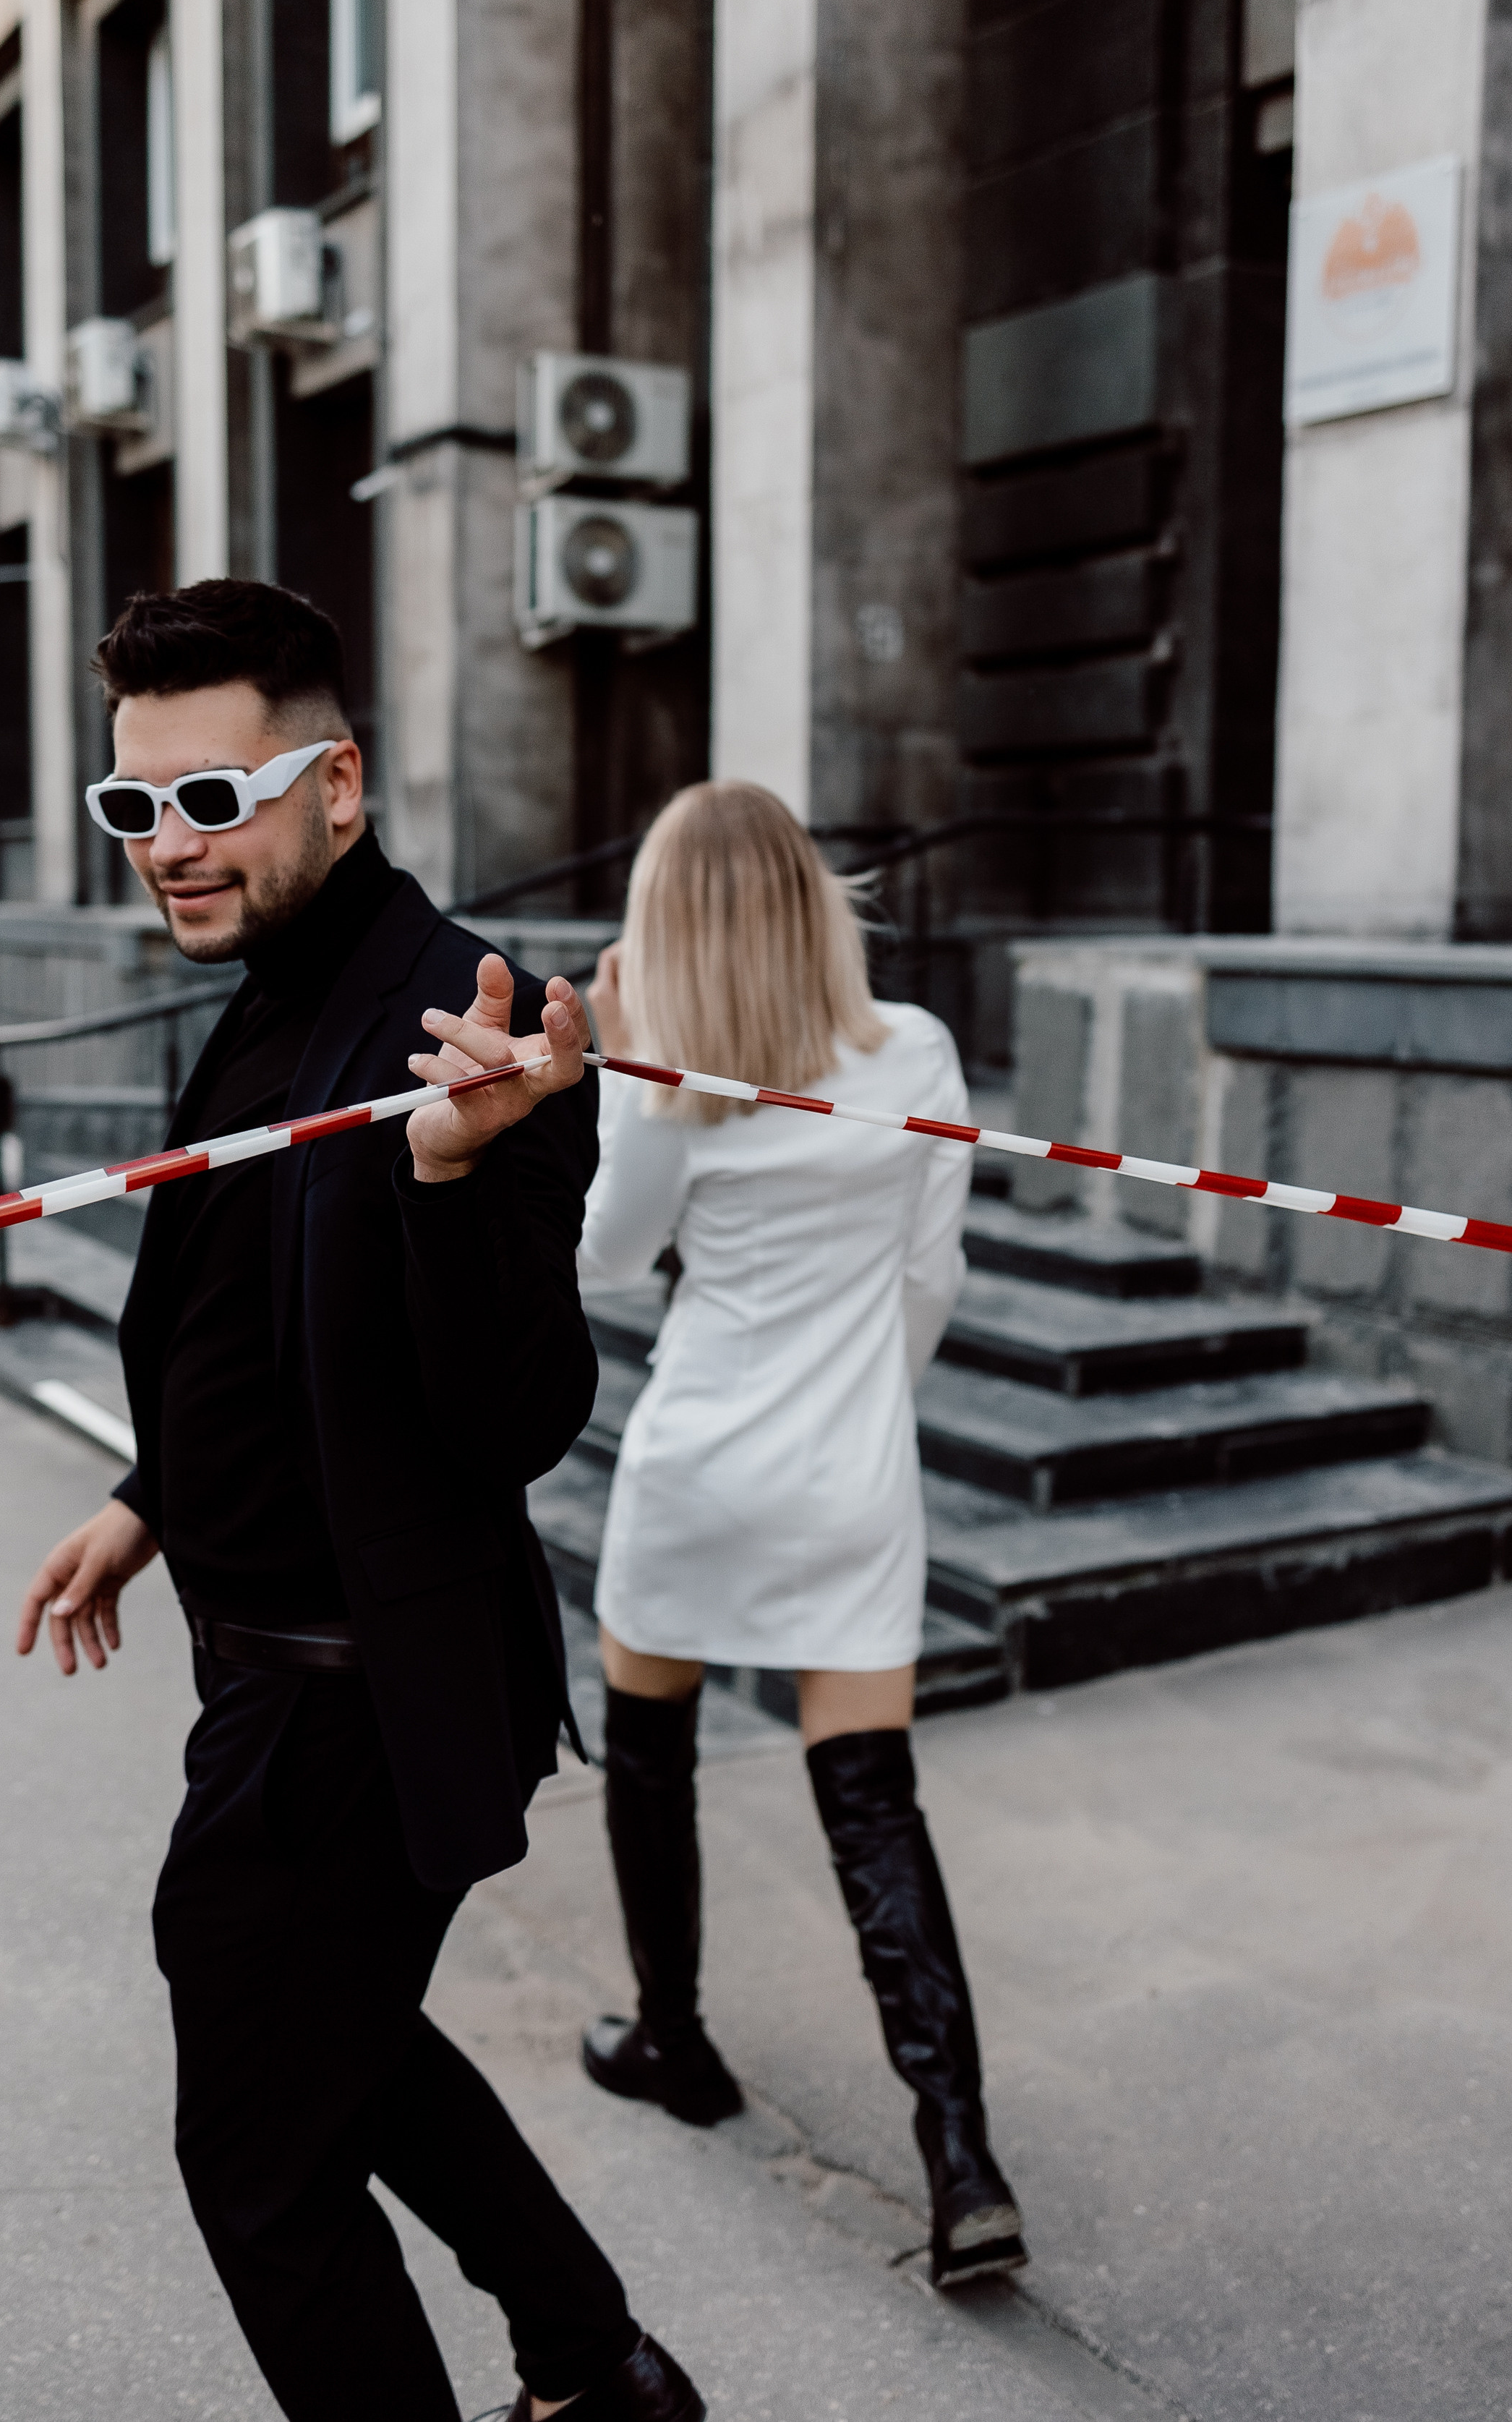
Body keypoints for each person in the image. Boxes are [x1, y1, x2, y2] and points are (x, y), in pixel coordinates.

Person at [15, 579, 704, 2422]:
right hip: (262, 1662)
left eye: (212, 797)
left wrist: (458, 1178)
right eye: (134, 806)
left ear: (340, 783)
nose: (172, 847)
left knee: (262, 2160)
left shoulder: (462, 1025)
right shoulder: (267, 992)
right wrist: (152, 1495)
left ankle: (594, 2361)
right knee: (325, 2037)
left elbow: (510, 1418)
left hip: (357, 1695)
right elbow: (256, 1316)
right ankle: (596, 2364)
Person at [576, 780, 1026, 2290]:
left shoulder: (669, 1077)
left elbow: (614, 1264)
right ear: (814, 898)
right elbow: (932, 1271)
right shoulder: (917, 1052)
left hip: (700, 1457)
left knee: (652, 1747)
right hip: (849, 1467)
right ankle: (960, 2156)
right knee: (873, 1798)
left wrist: (627, 1073)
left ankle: (674, 2036)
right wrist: (864, 1418)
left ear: (667, 928)